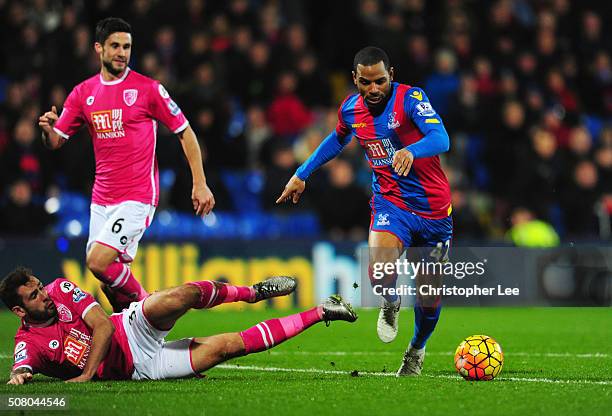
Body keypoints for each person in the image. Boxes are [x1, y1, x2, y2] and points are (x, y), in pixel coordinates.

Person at [277, 47, 452, 376]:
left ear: (392, 76)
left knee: (429, 300)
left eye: (380, 81)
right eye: (366, 82)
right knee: (378, 268)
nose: (373, 89)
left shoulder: (411, 99)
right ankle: (391, 301)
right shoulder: (350, 109)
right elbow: (337, 138)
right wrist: (302, 173)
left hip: (434, 210)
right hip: (391, 202)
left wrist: (411, 152)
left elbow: (441, 138)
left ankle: (416, 349)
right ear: (355, 79)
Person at [37, 18, 215, 311]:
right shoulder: (83, 93)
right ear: (99, 48)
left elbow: (185, 132)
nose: (122, 52)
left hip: (137, 196)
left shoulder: (149, 90)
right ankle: (136, 336)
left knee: (96, 261)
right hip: (101, 199)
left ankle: (151, 306)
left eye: (127, 47)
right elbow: (56, 141)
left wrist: (200, 182)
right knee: (108, 280)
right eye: (115, 46)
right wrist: (48, 131)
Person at [1, 267, 357, 384]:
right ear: (19, 311)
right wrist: (19, 376)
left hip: (130, 328)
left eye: (39, 286)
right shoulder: (27, 342)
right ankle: (322, 311)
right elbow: (20, 368)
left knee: (182, 295)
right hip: (143, 370)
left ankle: (252, 292)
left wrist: (85, 375)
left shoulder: (61, 288)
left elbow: (104, 328)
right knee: (229, 346)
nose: (44, 295)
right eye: (33, 297)